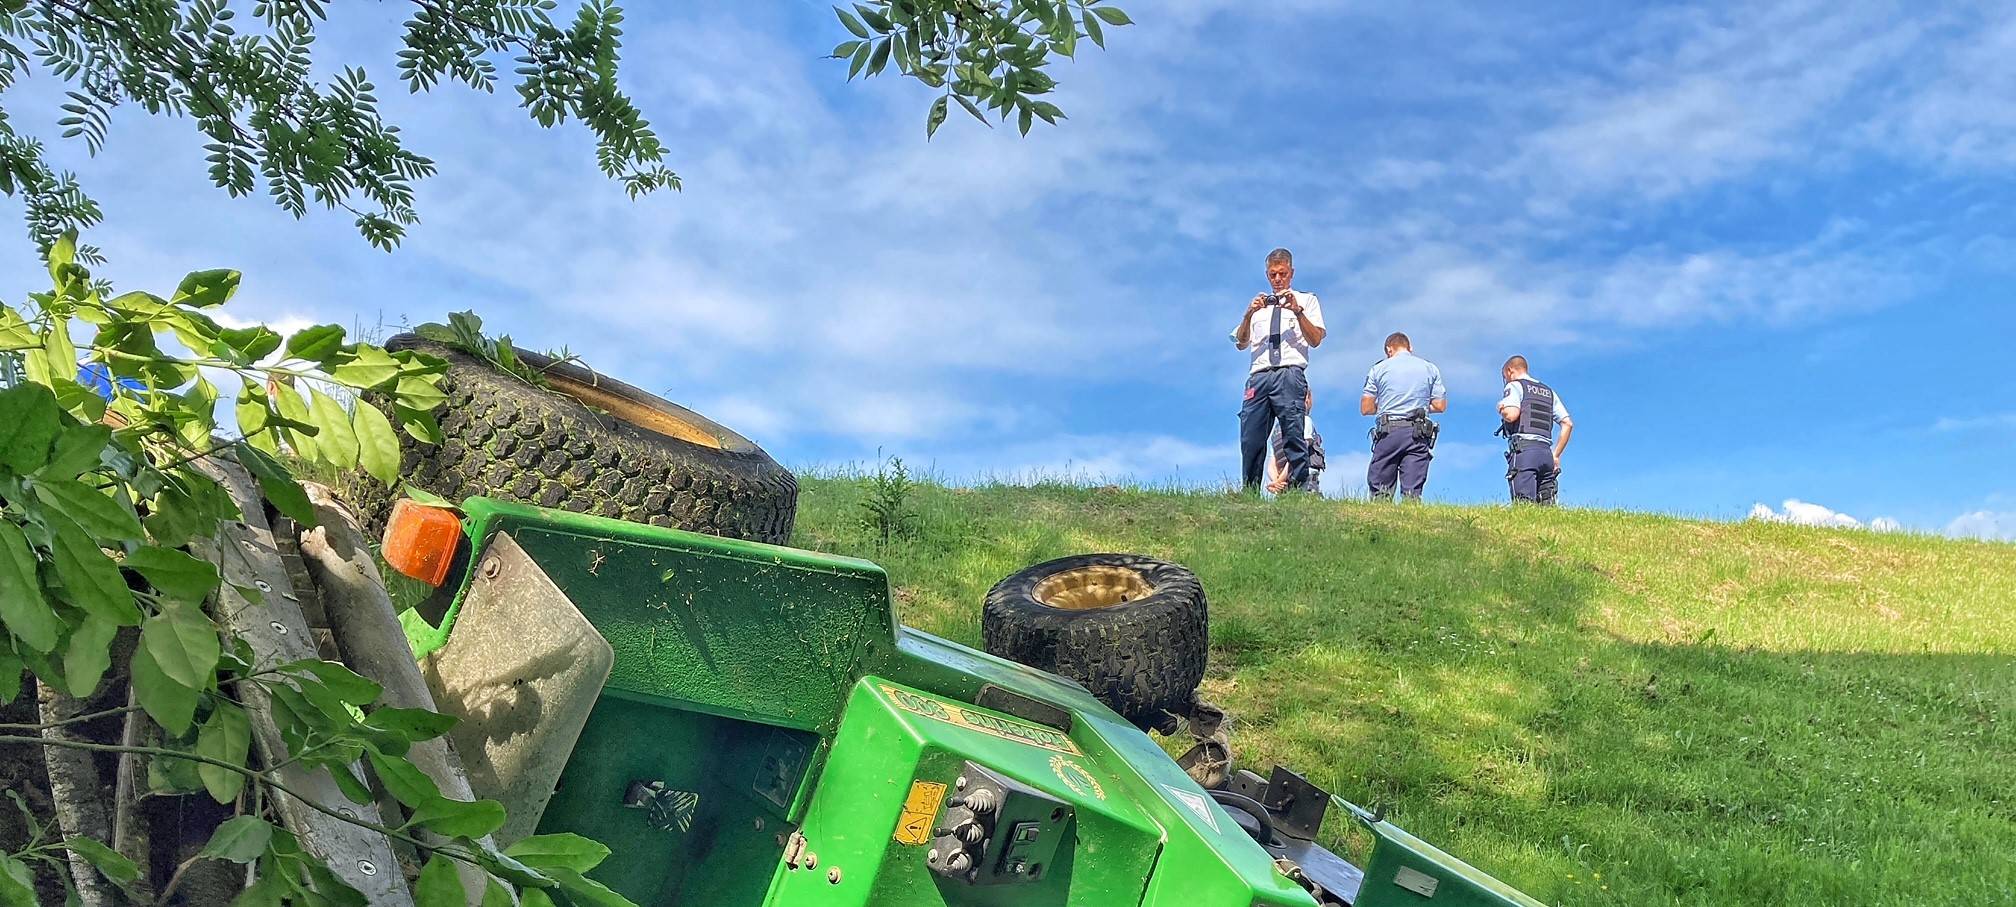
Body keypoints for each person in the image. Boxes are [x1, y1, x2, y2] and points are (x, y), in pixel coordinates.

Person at [1231, 248, 1325, 492]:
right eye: (1273, 274)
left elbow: (1315, 339)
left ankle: (1298, 490)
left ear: (1291, 273)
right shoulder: (1258, 307)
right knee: (1251, 436)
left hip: (1289, 372)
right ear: (1267, 275)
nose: (1278, 279)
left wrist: (1297, 311)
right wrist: (1249, 314)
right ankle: (1250, 492)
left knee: (1293, 432)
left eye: (1282, 273)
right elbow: (1240, 342)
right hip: (1259, 375)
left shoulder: (1307, 300)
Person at [1360, 332, 1446, 501]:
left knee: (1381, 492)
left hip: (1389, 432)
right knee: (1412, 494)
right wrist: (1418, 405)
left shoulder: (1378, 369)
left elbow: (1366, 408)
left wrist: (1387, 403)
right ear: (1410, 347)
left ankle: (1379, 523)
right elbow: (1440, 405)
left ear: (1388, 350)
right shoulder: (1430, 368)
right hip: (1418, 433)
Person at [1497, 355, 1573, 505]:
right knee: (1547, 511)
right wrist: (1556, 455)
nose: (1505, 380)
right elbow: (1567, 423)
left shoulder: (1515, 386)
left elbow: (1511, 415)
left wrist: (1501, 407)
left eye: (1504, 376)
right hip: (1546, 454)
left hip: (1525, 452)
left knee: (1524, 508)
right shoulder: (1548, 392)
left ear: (1509, 370)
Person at [1266, 390, 1323, 494]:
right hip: (1303, 477)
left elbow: (1272, 461)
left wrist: (1276, 481)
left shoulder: (1276, 429)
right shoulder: (1305, 421)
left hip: (1284, 480)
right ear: (1307, 401)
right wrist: (1278, 481)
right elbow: (1299, 454)